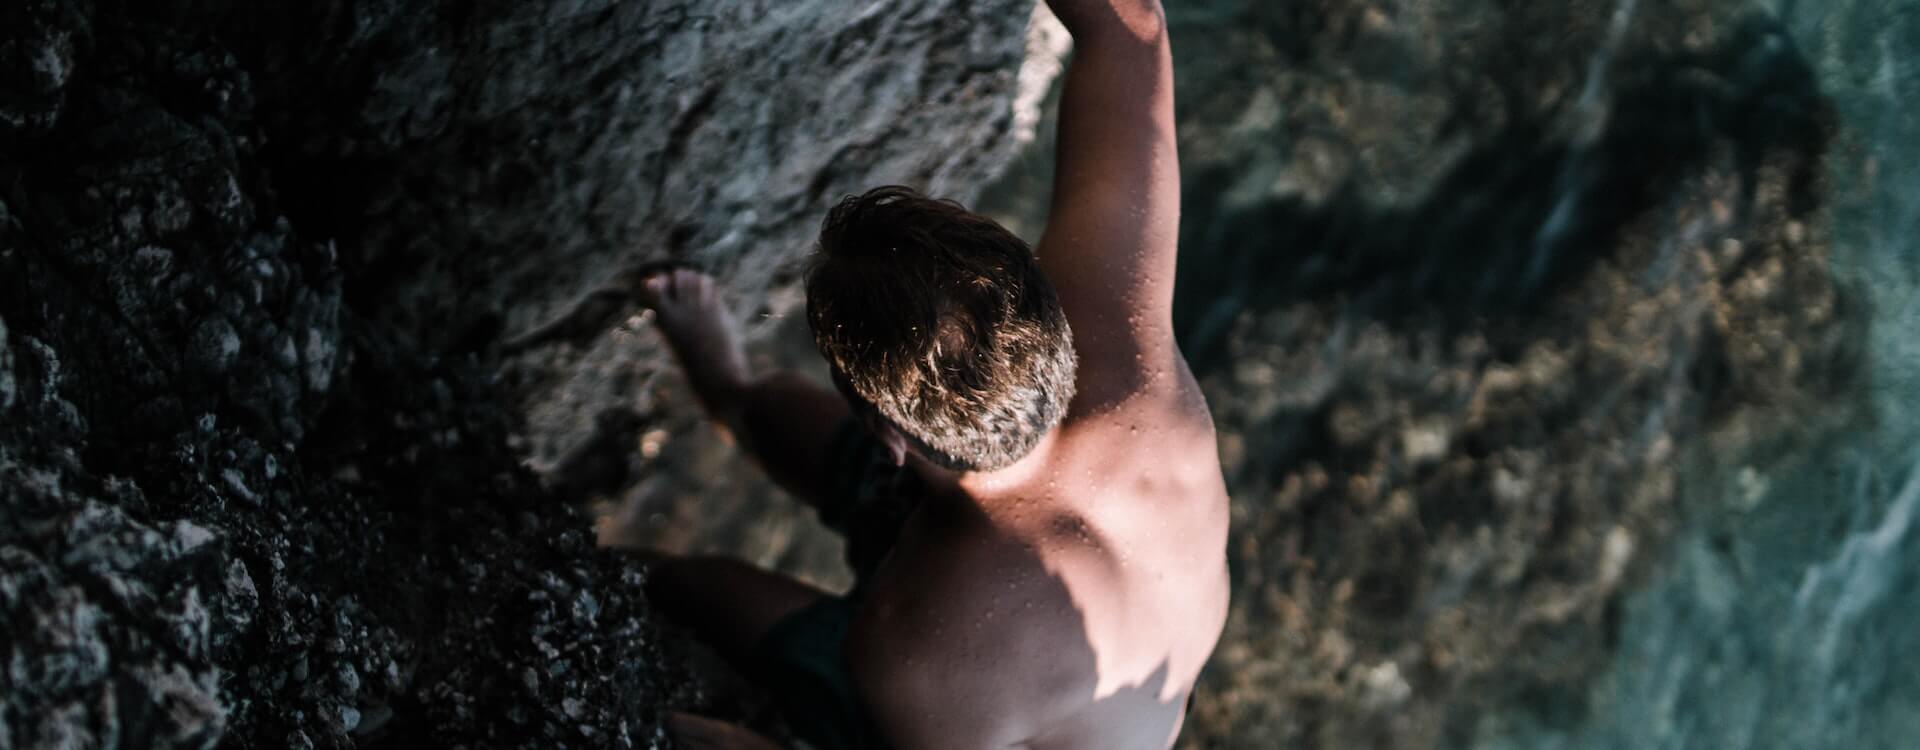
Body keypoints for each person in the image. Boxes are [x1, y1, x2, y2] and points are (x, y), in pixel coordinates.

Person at [637, 0, 1228, 747]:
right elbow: (1129, 22)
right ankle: (730, 387)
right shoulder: (1115, 327)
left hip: (1004, 686)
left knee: (681, 584)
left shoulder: (909, 657)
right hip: (1018, 544)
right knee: (772, 414)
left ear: (888, 432)